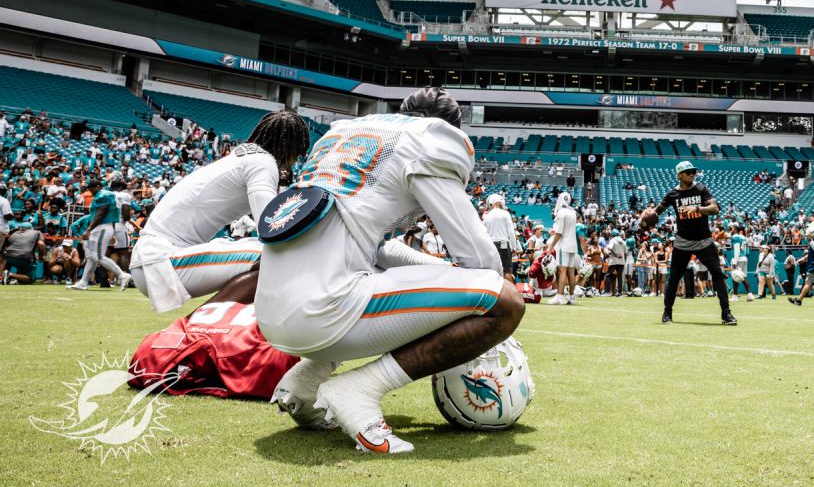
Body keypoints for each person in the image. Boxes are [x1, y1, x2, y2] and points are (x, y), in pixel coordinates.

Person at [256, 87, 524, 455]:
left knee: (368, 272)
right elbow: (483, 263)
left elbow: (379, 249)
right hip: (325, 312)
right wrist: (466, 287)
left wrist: (444, 276)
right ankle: (359, 390)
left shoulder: (341, 133)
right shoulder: (431, 140)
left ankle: (305, 381)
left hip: (272, 311)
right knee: (505, 301)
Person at [128, 111, 311, 312]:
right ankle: (195, 331)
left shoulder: (247, 156)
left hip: (156, 256)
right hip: (161, 259)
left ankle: (210, 329)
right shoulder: (263, 162)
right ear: (291, 148)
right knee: (278, 257)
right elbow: (271, 226)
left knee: (274, 256)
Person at [641, 160, 736, 325]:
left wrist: (698, 209)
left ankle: (726, 313)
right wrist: (647, 218)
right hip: (683, 242)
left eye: (693, 172)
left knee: (718, 275)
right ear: (679, 175)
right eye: (688, 172)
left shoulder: (701, 189)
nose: (692, 174)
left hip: (704, 241)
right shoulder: (672, 194)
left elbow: (715, 209)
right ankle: (667, 313)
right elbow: (656, 212)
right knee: (674, 278)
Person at [69, 178, 131, 291]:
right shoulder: (105, 194)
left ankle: (122, 275)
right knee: (92, 257)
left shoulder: (103, 195)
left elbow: (101, 213)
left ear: (98, 186)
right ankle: (83, 282)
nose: (91, 193)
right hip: (103, 227)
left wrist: (88, 229)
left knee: (97, 256)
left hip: (102, 227)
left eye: (92, 190)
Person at [546, 192, 582, 304]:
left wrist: (550, 247)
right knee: (571, 271)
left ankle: (560, 296)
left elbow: (559, 233)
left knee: (562, 270)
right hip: (573, 245)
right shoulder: (572, 213)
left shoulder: (561, 213)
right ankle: (571, 297)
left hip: (563, 245)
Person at [482, 193, 519, 283]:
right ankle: (509, 295)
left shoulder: (486, 216)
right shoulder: (505, 213)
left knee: (493, 272)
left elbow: (484, 234)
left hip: (491, 245)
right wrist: (514, 247)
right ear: (499, 203)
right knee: (507, 271)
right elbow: (511, 232)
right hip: (503, 244)